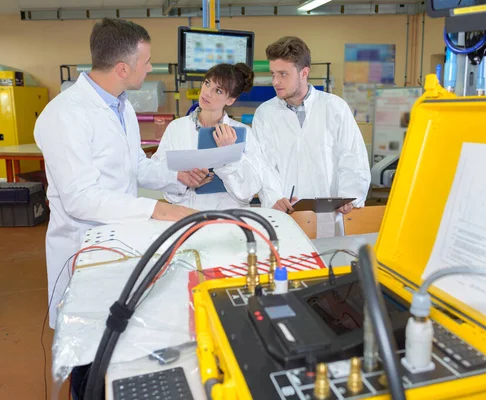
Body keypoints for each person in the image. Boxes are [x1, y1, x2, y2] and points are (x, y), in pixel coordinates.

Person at [34, 18, 203, 331]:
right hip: (81, 248)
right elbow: (80, 199)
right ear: (123, 68)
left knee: (114, 334)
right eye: (147, 61)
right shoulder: (65, 115)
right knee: (86, 347)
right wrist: (158, 208)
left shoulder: (122, 106)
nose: (150, 68)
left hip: (119, 238)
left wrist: (176, 176)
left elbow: (135, 165)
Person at [252, 36, 371, 238]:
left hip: (329, 217)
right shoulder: (265, 113)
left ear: (304, 72)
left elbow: (353, 156)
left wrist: (349, 195)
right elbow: (262, 164)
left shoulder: (334, 107)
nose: (275, 81)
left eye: (283, 74)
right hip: (284, 216)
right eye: (273, 74)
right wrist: (274, 198)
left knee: (329, 264)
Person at [152, 63, 279, 210]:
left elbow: (248, 192)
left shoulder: (243, 133)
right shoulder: (177, 128)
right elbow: (158, 172)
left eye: (218, 91)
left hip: (229, 218)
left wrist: (228, 155)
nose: (207, 93)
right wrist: (181, 179)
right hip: (186, 216)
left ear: (230, 100)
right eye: (207, 83)